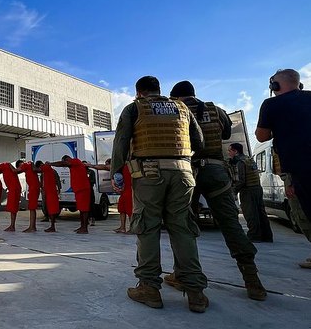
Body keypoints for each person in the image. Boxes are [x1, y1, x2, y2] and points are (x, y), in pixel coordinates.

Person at [111, 76, 208, 313]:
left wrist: (116, 172)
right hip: (183, 173)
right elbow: (199, 141)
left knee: (147, 227)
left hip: (149, 174)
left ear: (139, 92)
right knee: (182, 228)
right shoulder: (182, 107)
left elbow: (121, 141)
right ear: (158, 90)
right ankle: (195, 292)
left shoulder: (135, 108)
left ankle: (149, 288)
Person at [168, 80, 267, 302]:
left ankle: (184, 277)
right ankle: (253, 282)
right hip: (216, 170)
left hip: (186, 171)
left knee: (182, 226)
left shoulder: (176, 110)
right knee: (231, 224)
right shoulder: (216, 110)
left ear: (175, 97)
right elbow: (224, 135)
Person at [256, 68, 311, 222]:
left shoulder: (270, 105)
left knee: (305, 218)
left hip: (300, 173)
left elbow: (261, 136)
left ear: (275, 86)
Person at [272, 149, 311, 268]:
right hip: (297, 177)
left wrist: (290, 183)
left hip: (296, 179)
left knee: (303, 217)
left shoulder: (286, 137)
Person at [228, 142, 273, 242]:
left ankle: (254, 236)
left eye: (230, 151)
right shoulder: (249, 159)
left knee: (250, 214)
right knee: (261, 213)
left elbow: (242, 180)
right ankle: (267, 236)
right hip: (257, 188)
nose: (228, 153)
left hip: (248, 191)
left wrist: (233, 191)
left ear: (235, 151)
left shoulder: (241, 162)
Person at [49, 156, 92, 234]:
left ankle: (85, 228)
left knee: (84, 209)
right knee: (81, 209)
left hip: (83, 189)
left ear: (67, 159)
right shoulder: (74, 165)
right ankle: (82, 226)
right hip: (79, 190)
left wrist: (51, 164)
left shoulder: (75, 161)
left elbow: (64, 163)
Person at [91, 158, 133, 233]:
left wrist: (91, 165)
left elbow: (105, 167)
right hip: (124, 192)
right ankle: (122, 227)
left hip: (129, 191)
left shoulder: (123, 167)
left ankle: (132, 228)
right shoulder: (120, 169)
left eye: (108, 164)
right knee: (122, 210)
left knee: (129, 210)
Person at [0, 161, 23, 232]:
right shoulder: (8, 168)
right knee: (13, 207)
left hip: (14, 189)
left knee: (13, 208)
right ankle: (12, 225)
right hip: (14, 188)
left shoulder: (4, 165)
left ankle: (12, 226)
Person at [36, 161, 61, 232]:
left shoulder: (51, 171)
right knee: (45, 205)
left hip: (51, 191)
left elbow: (57, 180)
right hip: (45, 190)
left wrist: (59, 188)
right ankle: (47, 217)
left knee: (52, 207)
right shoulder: (43, 172)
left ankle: (52, 224)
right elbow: (42, 181)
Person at [17, 160, 41, 232]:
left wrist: (8, 166)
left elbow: (16, 171)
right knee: (32, 208)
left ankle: (32, 227)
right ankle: (32, 226)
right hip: (34, 188)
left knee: (32, 208)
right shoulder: (28, 166)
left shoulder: (25, 165)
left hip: (33, 188)